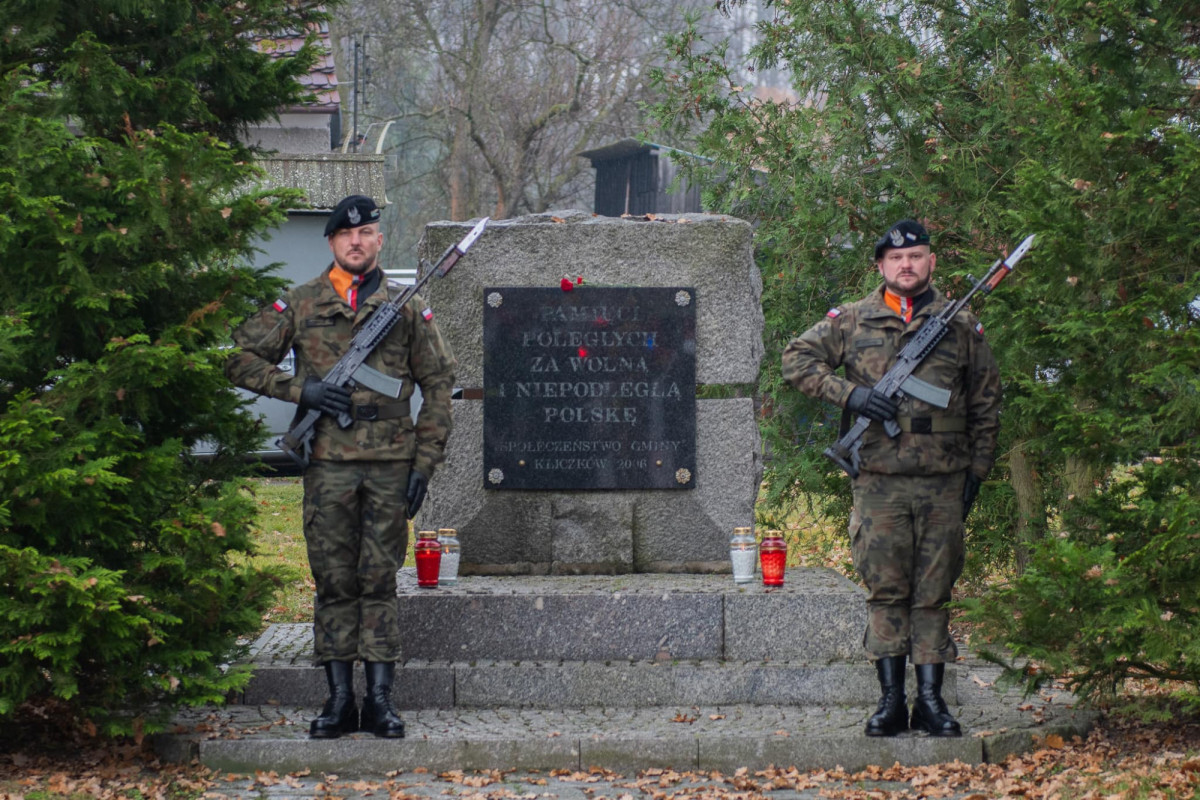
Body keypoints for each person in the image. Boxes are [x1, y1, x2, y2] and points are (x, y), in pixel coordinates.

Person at [225, 194, 456, 739]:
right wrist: (301, 389)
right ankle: (337, 701)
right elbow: (239, 358)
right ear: (332, 242)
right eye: (346, 235)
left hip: (390, 466)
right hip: (327, 464)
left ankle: (379, 701)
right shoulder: (301, 303)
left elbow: (440, 384)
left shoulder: (405, 307)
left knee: (378, 581)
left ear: (379, 240)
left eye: (368, 232)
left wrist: (425, 460)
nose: (357, 241)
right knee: (332, 582)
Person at [781, 219, 1001, 738]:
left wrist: (978, 471)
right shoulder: (852, 320)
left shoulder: (960, 323)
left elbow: (986, 404)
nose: (908, 265)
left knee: (933, 593)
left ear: (931, 263)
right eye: (897, 259)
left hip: (944, 481)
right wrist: (851, 396)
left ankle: (931, 702)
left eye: (918, 256)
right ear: (881, 266)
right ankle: (890, 703)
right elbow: (795, 360)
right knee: (886, 590)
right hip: (879, 479)